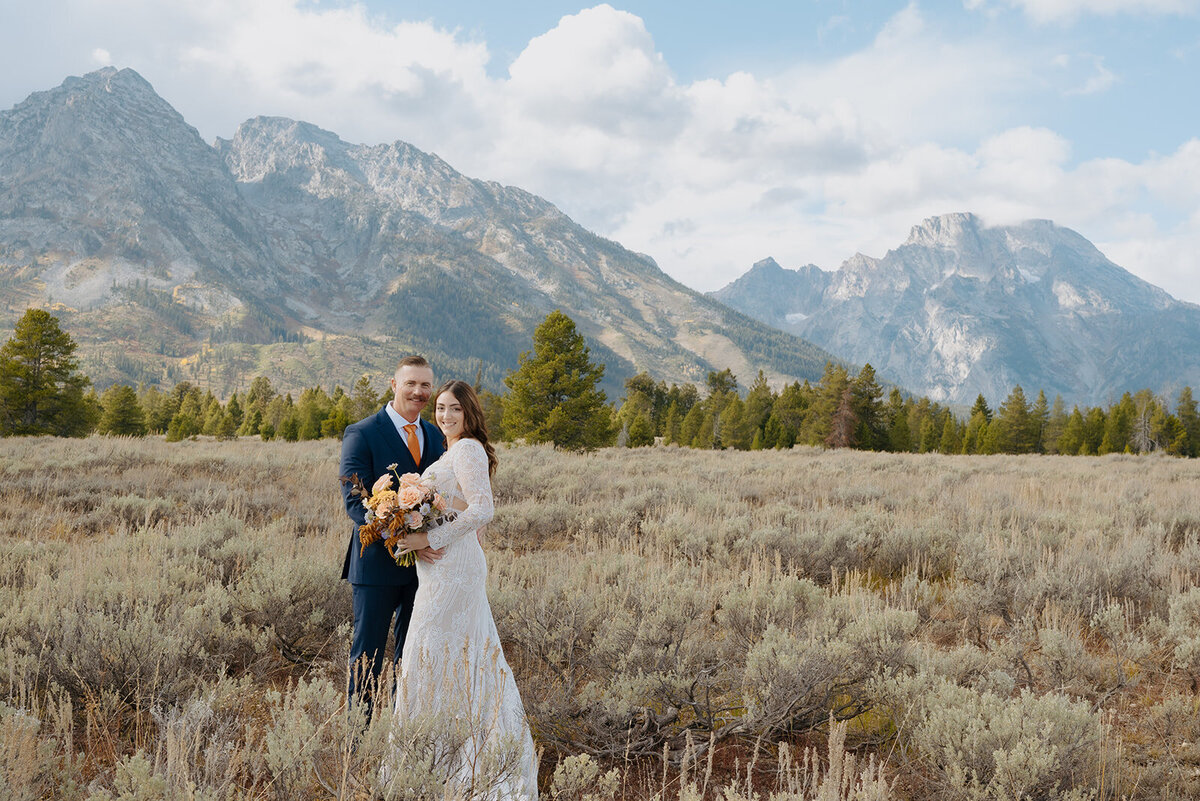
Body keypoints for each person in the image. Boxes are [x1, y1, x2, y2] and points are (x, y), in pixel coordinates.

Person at [386, 379, 538, 799]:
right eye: (440, 408)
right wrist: (413, 524)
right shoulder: (452, 451)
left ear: (469, 413)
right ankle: (440, 758)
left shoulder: (468, 448)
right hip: (443, 566)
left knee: (434, 650)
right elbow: (459, 510)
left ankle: (461, 763)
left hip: (453, 570)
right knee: (442, 651)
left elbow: (484, 509)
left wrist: (428, 539)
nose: (445, 416)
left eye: (454, 409)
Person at [339, 356, 446, 717]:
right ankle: (359, 737)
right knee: (367, 654)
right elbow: (355, 502)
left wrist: (429, 534)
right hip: (376, 567)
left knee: (413, 652)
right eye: (411, 384)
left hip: (425, 568)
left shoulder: (435, 434)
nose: (418, 392)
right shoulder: (363, 432)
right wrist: (399, 533)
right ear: (393, 384)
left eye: (425, 385)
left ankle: (401, 732)